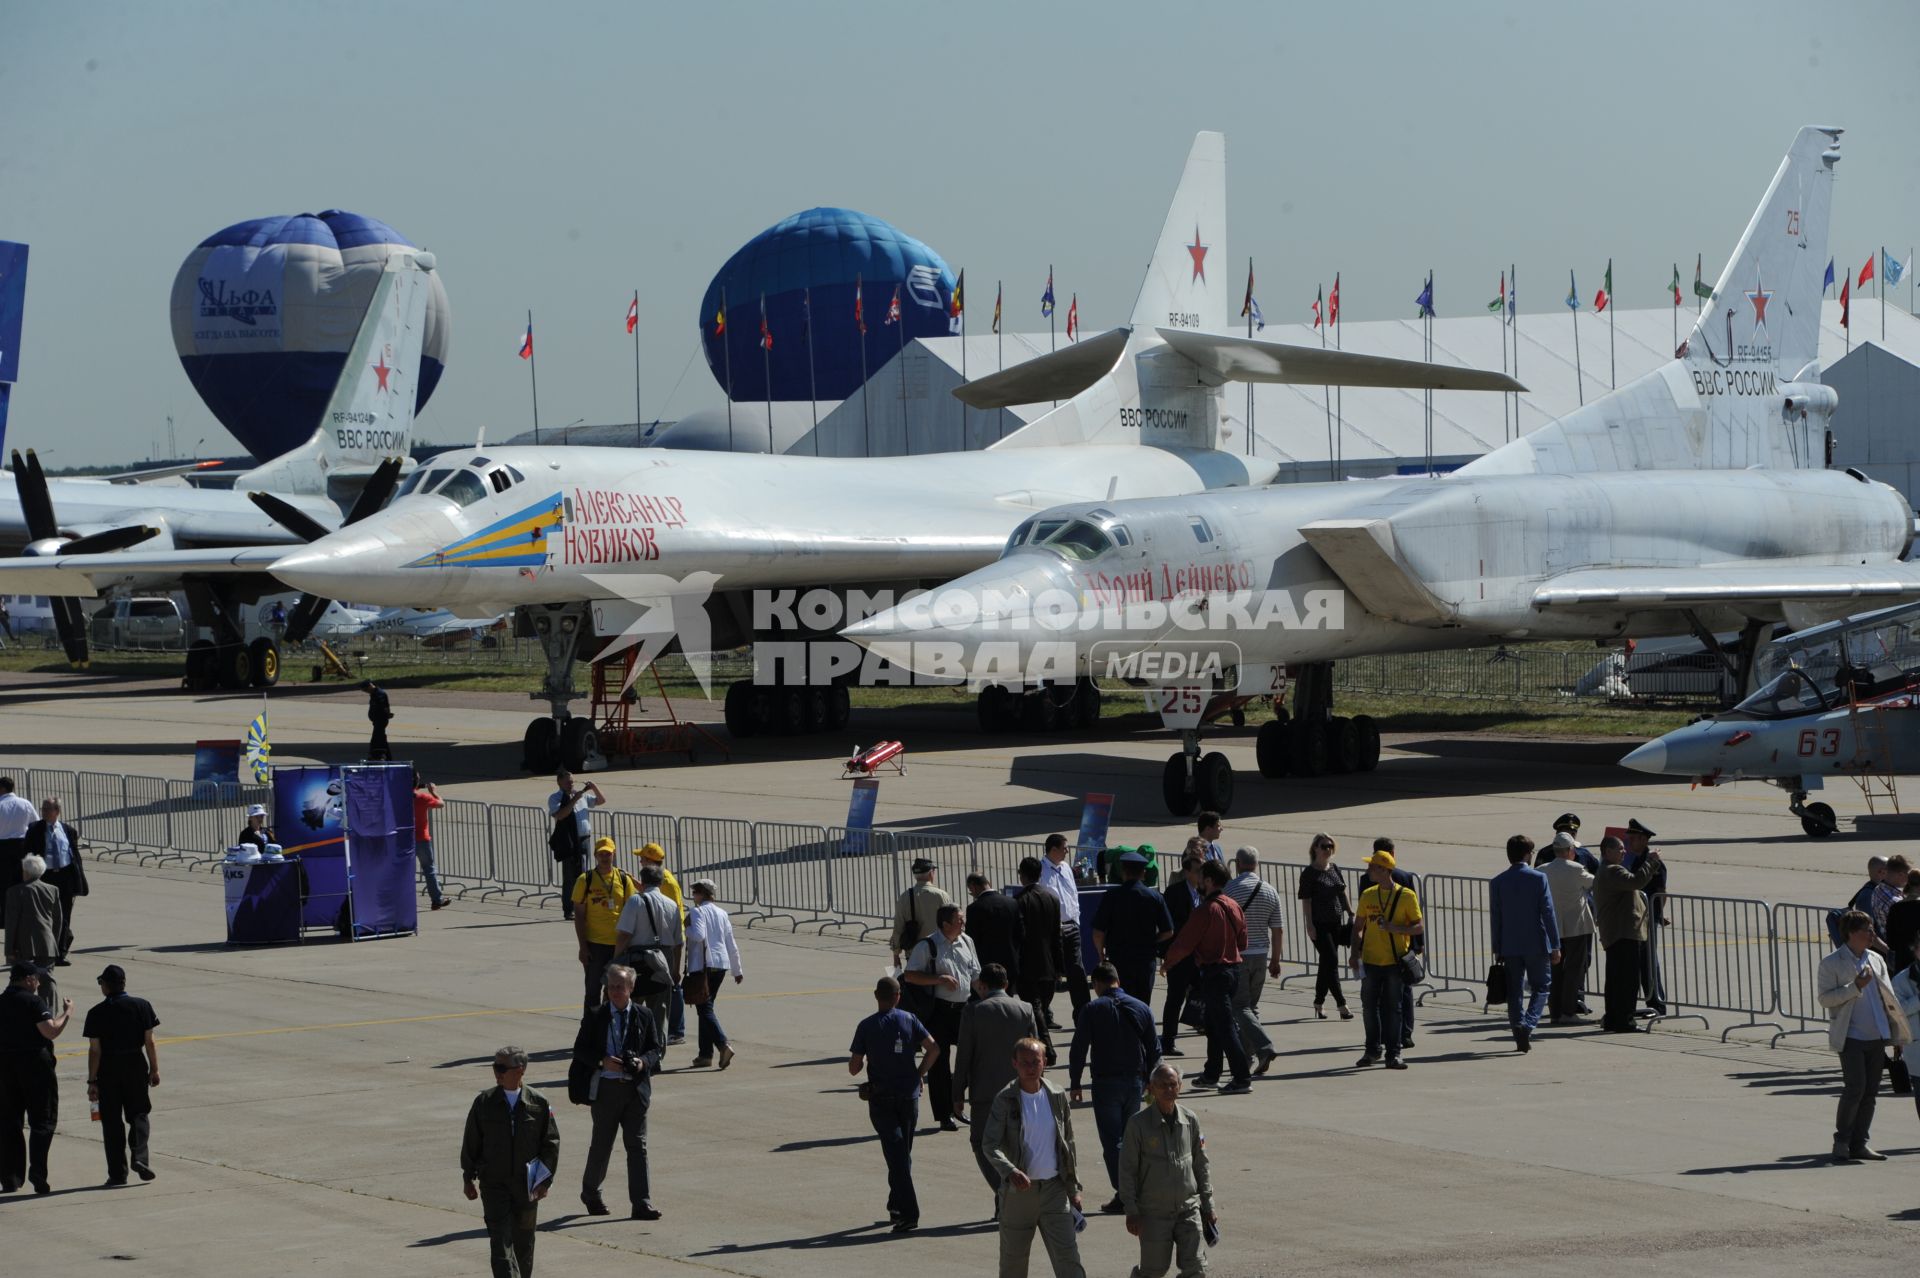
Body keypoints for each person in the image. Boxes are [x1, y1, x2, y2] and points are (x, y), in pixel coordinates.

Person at [984, 1037, 1086, 1278]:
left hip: (1055, 1191)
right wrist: (1010, 1171)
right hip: (1019, 1195)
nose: (1030, 1068)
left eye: (1035, 1062)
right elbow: (990, 1144)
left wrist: (1073, 1187)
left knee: (1069, 1260)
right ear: (1014, 1064)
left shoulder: (1057, 1095)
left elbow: (1068, 1143)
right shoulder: (1005, 1099)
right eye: (1024, 1063)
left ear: (1045, 1063)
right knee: (1013, 1264)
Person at [568, 964, 664, 1219]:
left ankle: (641, 1202)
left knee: (637, 1146)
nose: (614, 992)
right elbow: (580, 1050)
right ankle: (591, 1192)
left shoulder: (644, 1015)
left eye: (620, 987)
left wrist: (643, 1062)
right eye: (611, 987)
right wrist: (602, 1061)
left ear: (631, 988)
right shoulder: (595, 1015)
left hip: (635, 1090)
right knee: (602, 1145)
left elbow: (656, 1049)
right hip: (606, 1089)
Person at [1817, 910, 1912, 1162]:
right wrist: (1855, 987)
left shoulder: (1876, 959)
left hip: (1877, 1036)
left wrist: (1896, 1035)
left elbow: (1888, 999)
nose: (1872, 935)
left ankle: (1860, 1143)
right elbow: (1825, 998)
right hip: (1851, 1036)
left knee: (1870, 1092)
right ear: (1850, 934)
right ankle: (1842, 1141)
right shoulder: (1832, 962)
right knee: (1855, 1088)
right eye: (1866, 930)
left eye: (1872, 929)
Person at [461, 1045, 561, 1278]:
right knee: (501, 1244)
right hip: (494, 1184)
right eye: (495, 1066)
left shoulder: (538, 1103)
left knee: (524, 1245)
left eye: (501, 1067)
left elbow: (551, 1144)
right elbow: (471, 1142)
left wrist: (544, 1182)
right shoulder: (484, 1103)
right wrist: (468, 1178)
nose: (496, 1072)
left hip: (527, 1187)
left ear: (520, 1070)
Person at [1068, 962, 1159, 1214]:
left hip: (1106, 1082)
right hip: (1135, 1082)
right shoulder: (1141, 1007)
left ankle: (1125, 1193)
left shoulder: (1092, 1009)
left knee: (1113, 1141)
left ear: (1097, 983)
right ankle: (1137, 1189)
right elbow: (1154, 1047)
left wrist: (1075, 1082)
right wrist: (1152, 1079)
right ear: (1117, 980)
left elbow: (1079, 1048)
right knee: (1131, 1138)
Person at [849, 976, 935, 1232]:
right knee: (902, 1155)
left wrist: (866, 1061)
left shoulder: (866, 1025)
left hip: (882, 1098)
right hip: (908, 1097)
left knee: (896, 1156)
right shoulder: (910, 1020)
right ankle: (896, 1204)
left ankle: (909, 1213)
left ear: (876, 996)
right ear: (898, 996)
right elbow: (933, 1049)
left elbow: (854, 1068)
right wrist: (919, 1074)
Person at [955, 963, 1040, 1208]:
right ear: (1006, 985)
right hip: (1020, 1090)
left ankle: (1004, 1189)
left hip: (985, 1091)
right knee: (1016, 1143)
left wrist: (957, 1092)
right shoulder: (1024, 1009)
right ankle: (1011, 1191)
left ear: (982, 985)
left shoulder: (973, 1011)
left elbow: (964, 1056)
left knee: (982, 1144)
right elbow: (1036, 1051)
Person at [1120, 1063, 1216, 1278]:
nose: (1168, 1089)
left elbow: (1201, 1164)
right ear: (1151, 1088)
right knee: (1153, 1271)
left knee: (1196, 1269)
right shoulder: (1138, 1125)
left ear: (1180, 1087)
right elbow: (1127, 1170)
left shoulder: (1190, 1120)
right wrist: (1131, 1210)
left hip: (1188, 1210)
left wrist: (1208, 1205)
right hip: (1154, 1214)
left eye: (1173, 1084)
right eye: (1162, 1085)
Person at [1164, 860, 1251, 1094]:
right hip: (1233, 971)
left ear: (1210, 881)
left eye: (1202, 878)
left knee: (1223, 1027)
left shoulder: (1204, 910)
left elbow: (1184, 942)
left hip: (1215, 972)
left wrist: (1167, 962)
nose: (1199, 883)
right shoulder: (1234, 906)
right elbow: (1243, 942)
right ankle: (1212, 1074)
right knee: (1213, 1025)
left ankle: (1241, 1077)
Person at [902, 902, 980, 1128]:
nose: (963, 922)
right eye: (959, 920)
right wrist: (938, 979)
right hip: (939, 1011)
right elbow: (910, 976)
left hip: (964, 1010)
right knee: (940, 1064)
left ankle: (958, 1103)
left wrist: (988, 996)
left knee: (972, 1058)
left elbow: (975, 974)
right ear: (946, 924)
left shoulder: (967, 942)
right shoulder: (928, 945)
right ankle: (944, 1114)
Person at [83, 964, 160, 1185]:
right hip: (135, 1063)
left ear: (105, 986)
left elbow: (95, 1050)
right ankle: (140, 1156)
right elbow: (149, 1042)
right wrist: (154, 1069)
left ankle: (117, 1174)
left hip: (108, 1068)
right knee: (139, 1114)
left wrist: (92, 1080)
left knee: (111, 1122)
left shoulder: (96, 1013)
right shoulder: (142, 1006)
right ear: (123, 983)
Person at [0, 961, 71, 1195]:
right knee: (43, 1120)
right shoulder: (33, 1001)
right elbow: (50, 1030)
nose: (39, 983)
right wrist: (67, 1013)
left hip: (6, 1067)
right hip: (35, 1066)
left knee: (10, 1122)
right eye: (36, 979)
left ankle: (10, 1177)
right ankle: (38, 1172)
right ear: (27, 979)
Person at [1350, 849, 1422, 1070]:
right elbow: (1358, 926)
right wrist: (1355, 953)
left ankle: (1394, 1053)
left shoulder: (1407, 896)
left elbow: (1418, 927)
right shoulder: (1368, 894)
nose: (1368, 870)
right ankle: (1372, 1050)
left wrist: (1395, 928)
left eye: (1372, 866)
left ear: (1384, 869)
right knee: (1369, 1008)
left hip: (1394, 961)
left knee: (1394, 1009)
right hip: (1371, 961)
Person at [1489, 835, 1561, 1052]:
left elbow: (1496, 916)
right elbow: (1548, 913)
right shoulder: (1538, 878)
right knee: (1541, 987)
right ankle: (1527, 1025)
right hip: (1536, 943)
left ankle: (1518, 1027)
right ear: (1527, 854)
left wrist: (1497, 946)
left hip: (1509, 944)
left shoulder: (1498, 881)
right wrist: (1555, 944)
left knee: (1514, 991)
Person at [1223, 847, 1284, 1075]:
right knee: (1251, 1008)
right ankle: (1246, 1057)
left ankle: (1263, 1047)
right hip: (1261, 955)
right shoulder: (1270, 891)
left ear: (1238, 863)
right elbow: (1278, 930)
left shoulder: (1230, 889)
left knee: (1239, 1007)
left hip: (1238, 954)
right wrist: (1275, 960)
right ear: (1257, 864)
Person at [1592, 834, 1660, 1033]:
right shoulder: (1613, 871)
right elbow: (1636, 882)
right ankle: (1625, 1021)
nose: (1624, 851)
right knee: (1627, 981)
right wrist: (1651, 862)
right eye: (1619, 848)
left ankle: (1614, 1018)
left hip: (1617, 933)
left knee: (1615, 980)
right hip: (1624, 933)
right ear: (1607, 852)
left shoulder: (1607, 870)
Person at [1092, 850, 1174, 1004]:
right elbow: (1168, 931)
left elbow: (1098, 931)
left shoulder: (1112, 896)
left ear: (1123, 871)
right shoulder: (1155, 897)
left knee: (1119, 1002)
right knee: (1142, 1004)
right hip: (1145, 959)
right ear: (1143, 873)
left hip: (1119, 960)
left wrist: (1100, 953)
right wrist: (1152, 941)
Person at [613, 865, 679, 1041]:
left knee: (632, 1009)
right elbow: (678, 943)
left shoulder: (636, 901)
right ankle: (656, 1054)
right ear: (662, 881)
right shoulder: (672, 904)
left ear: (641, 881)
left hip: (639, 959)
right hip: (664, 959)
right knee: (659, 1012)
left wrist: (615, 961)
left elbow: (625, 934)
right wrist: (675, 970)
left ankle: (633, 1049)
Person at [683, 879, 742, 1070]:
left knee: (704, 1008)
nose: (693, 897)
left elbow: (698, 935)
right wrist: (737, 969)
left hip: (704, 964)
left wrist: (686, 927)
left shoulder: (697, 911)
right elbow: (730, 942)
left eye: (695, 893)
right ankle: (704, 1054)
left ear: (701, 894)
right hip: (721, 964)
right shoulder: (722, 913)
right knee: (706, 1007)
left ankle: (722, 1044)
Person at [575, 837, 639, 1014]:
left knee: (616, 990)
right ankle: (589, 1029)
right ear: (595, 855)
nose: (604, 857)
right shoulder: (585, 880)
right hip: (595, 944)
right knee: (592, 990)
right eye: (601, 854)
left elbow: (631, 911)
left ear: (614, 854)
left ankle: (610, 1025)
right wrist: (583, 946)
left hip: (619, 945)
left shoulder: (624, 879)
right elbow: (579, 916)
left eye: (608, 854)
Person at [1541, 832, 1597, 1025]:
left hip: (1553, 926)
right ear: (1569, 850)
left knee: (1555, 971)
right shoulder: (1576, 868)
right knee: (1574, 969)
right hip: (1576, 926)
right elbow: (1594, 883)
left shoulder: (1543, 869)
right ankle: (1568, 1011)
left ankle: (1555, 1011)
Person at [634, 843, 687, 1043]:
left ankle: (677, 1030)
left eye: (643, 858)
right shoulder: (659, 879)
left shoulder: (667, 882)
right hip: (663, 937)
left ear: (650, 860)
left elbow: (673, 911)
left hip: (669, 940)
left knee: (672, 984)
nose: (640, 861)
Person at [1371, 836, 1420, 1047]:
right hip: (1401, 945)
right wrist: (1418, 943)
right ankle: (1405, 1032)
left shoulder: (1367, 879)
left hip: (1378, 946)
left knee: (1382, 995)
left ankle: (1387, 1034)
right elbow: (1416, 914)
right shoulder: (1404, 876)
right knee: (1404, 992)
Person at [1297, 834, 1353, 1020]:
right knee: (1332, 959)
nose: (1328, 849)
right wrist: (1309, 924)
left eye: (1330, 846)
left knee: (1326, 963)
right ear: (1315, 849)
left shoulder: (1334, 868)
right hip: (1319, 923)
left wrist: (1351, 912)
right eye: (1324, 846)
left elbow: (1342, 892)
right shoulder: (1309, 873)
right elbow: (1306, 900)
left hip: (1336, 921)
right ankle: (1341, 1004)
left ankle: (1318, 1002)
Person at [1015, 857, 1065, 1053]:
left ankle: (1046, 1047)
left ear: (1023, 875)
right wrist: (1060, 967)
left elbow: (1018, 936)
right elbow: (1057, 936)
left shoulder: (1020, 901)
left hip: (1028, 964)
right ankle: (1038, 1047)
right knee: (1040, 1008)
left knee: (1034, 1008)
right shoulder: (1051, 897)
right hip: (1049, 964)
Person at [25, 799, 83, 964]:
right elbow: (27, 854)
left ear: (57, 811)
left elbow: (75, 857)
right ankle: (41, 952)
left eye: (47, 809)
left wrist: (78, 882)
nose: (43, 812)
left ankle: (60, 953)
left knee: (64, 916)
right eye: (42, 809)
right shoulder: (35, 829)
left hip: (64, 877)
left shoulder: (68, 831)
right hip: (45, 877)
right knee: (43, 916)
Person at [1158, 854, 1206, 1057]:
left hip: (1199, 956)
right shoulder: (1175, 893)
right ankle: (1168, 1041)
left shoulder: (1203, 892)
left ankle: (1199, 1022)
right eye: (1197, 871)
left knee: (1203, 992)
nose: (1201, 875)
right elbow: (1168, 925)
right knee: (1175, 998)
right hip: (1180, 954)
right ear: (1187, 872)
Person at [1041, 834, 1092, 1015]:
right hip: (1054, 929)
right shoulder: (1041, 871)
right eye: (1064, 848)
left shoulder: (1065, 868)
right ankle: (1044, 1013)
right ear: (1053, 850)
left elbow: (1073, 895)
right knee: (1050, 973)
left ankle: (1083, 1010)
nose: (1067, 852)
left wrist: (1076, 920)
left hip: (1072, 926)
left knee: (1077, 970)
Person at [1623, 818, 1668, 1015]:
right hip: (1638, 917)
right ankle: (1652, 1001)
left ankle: (1657, 1003)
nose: (1629, 842)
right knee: (1641, 961)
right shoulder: (1636, 860)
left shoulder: (1654, 863)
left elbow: (1660, 892)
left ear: (1643, 839)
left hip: (1647, 917)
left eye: (1633, 838)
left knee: (1648, 961)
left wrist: (1657, 914)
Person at [546, 771, 604, 923]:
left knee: (584, 875)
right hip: (570, 841)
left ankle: (583, 907)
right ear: (559, 783)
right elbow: (560, 815)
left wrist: (594, 787)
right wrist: (574, 800)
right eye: (567, 782)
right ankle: (569, 909)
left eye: (572, 781)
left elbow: (601, 800)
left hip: (584, 839)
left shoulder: (581, 796)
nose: (571, 784)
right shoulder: (555, 798)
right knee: (570, 876)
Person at [4, 855, 61, 1005]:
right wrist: (54, 942)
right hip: (47, 943)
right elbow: (58, 920)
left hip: (23, 945)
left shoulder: (14, 892)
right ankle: (47, 1014)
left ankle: (19, 1011)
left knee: (19, 981)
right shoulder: (52, 890)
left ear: (26, 872)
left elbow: (11, 923)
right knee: (47, 981)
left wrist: (9, 949)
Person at [967, 871, 1025, 987]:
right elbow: (1021, 933)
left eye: (970, 890)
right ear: (989, 883)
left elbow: (971, 940)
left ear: (973, 886)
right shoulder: (1012, 903)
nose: (972, 893)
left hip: (986, 967)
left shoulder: (974, 908)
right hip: (1010, 963)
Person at [890, 857, 950, 965]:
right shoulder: (941, 895)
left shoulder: (905, 897)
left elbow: (898, 927)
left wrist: (896, 954)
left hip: (914, 952)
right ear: (931, 873)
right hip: (939, 951)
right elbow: (952, 922)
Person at [412, 772, 448, 912]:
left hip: (404, 839)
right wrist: (434, 792)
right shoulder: (422, 797)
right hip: (422, 838)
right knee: (429, 869)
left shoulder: (398, 797)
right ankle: (436, 900)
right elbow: (441, 804)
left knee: (403, 870)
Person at [0, 777, 34, 908]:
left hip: (2, 846)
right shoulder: (25, 803)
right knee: (21, 879)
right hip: (21, 845)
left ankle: (4, 913)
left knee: (3, 881)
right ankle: (20, 909)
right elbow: (34, 824)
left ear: (2, 788)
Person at [1871, 855, 1912, 941]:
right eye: (1908, 875)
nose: (1909, 879)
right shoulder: (1896, 902)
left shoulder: (1877, 889)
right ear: (1900, 874)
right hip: (1903, 946)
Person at [363, 679, 393, 761]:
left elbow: (384, 707)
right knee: (381, 737)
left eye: (365, 690)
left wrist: (387, 715)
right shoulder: (374, 693)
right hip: (377, 720)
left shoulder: (380, 694)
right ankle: (387, 756)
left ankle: (378, 755)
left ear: (370, 686)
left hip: (381, 720)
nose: (366, 692)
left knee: (377, 738)